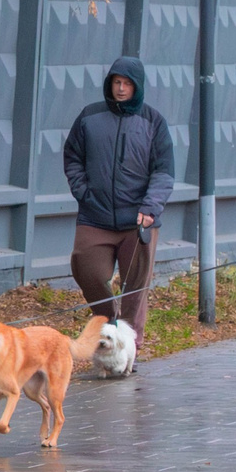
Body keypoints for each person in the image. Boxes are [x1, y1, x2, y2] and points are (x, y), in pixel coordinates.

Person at [61, 56, 175, 356]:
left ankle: (129, 345)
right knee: (87, 269)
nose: (121, 89)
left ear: (137, 87)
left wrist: (150, 208)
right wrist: (83, 192)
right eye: (116, 82)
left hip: (138, 220)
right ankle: (109, 319)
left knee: (135, 286)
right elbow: (72, 156)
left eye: (127, 84)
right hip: (94, 215)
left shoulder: (153, 122)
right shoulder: (89, 117)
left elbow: (163, 171)